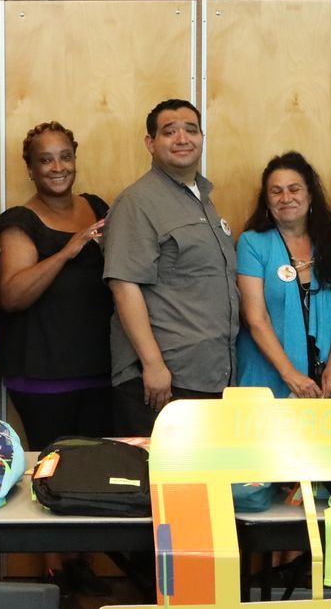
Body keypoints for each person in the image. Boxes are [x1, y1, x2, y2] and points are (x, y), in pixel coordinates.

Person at [0, 121, 115, 606]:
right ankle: (52, 570)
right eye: (46, 159)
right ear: (31, 168)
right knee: (50, 468)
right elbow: (12, 294)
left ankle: (81, 563)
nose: (58, 167)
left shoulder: (100, 208)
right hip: (41, 369)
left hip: (100, 366)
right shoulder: (19, 221)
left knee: (92, 468)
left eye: (64, 155)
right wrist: (69, 250)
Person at [102, 99, 239, 436]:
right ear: (151, 143)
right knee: (166, 483)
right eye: (169, 131)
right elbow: (124, 286)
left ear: (202, 138)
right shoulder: (137, 202)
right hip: (166, 379)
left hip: (209, 373)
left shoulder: (203, 200)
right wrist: (153, 365)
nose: (182, 138)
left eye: (191, 130)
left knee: (201, 481)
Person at [235, 151, 331, 399]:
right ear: (266, 201)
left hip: (329, 384)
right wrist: (291, 376)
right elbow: (256, 318)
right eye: (276, 191)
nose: (286, 198)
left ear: (310, 193)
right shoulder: (252, 243)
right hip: (267, 381)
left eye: (294, 189)